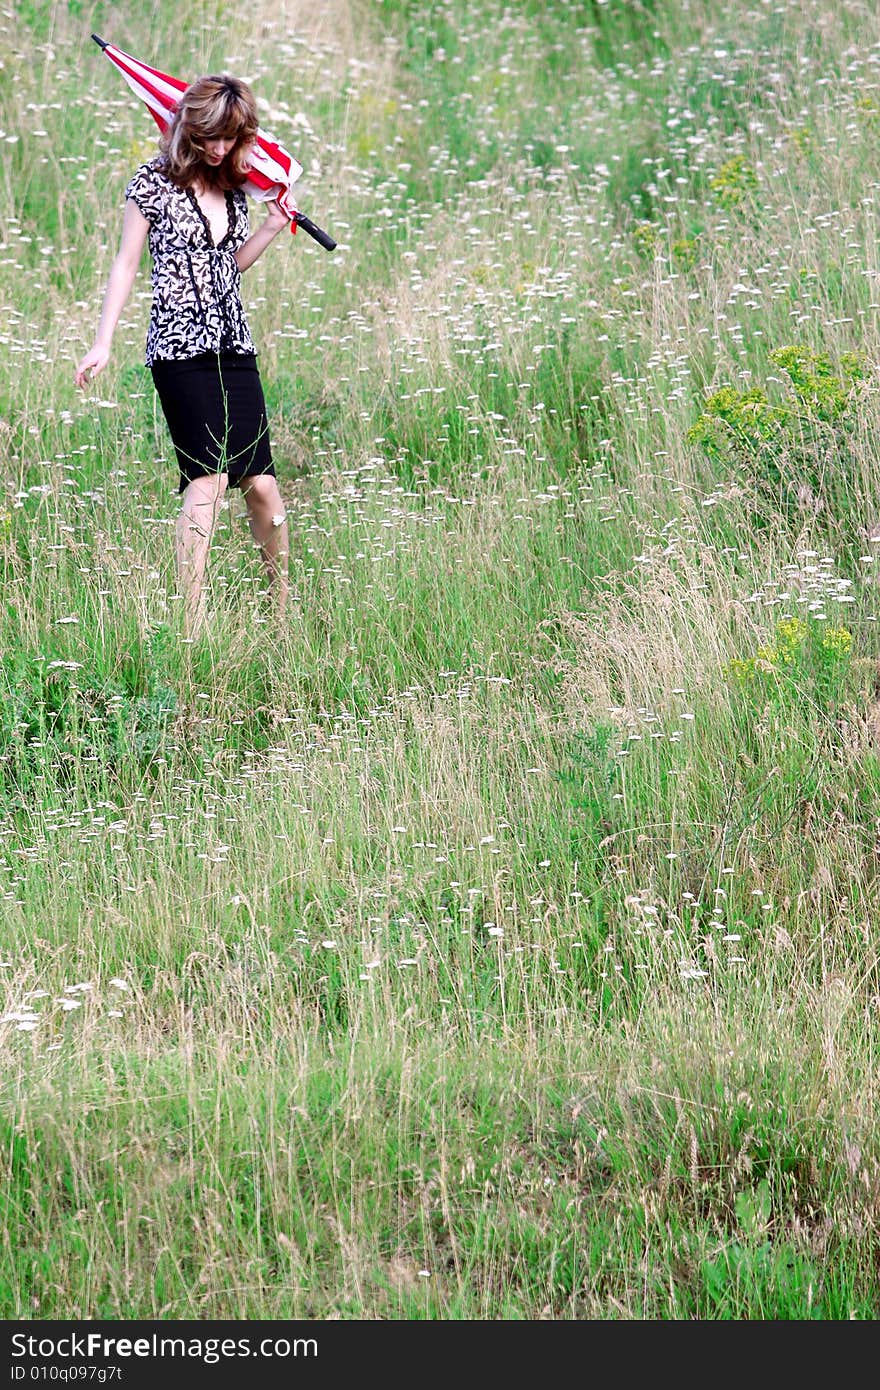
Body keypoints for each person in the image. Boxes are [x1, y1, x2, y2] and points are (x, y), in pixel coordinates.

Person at [75, 73, 290, 638]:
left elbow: (228, 266)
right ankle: (190, 625)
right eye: (213, 136)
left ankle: (283, 611)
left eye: (232, 137)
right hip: (178, 346)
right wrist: (102, 340)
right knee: (208, 479)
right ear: (191, 126)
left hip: (233, 344)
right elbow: (126, 265)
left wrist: (270, 226)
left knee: (262, 483)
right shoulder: (152, 183)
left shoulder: (235, 184)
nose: (220, 148)